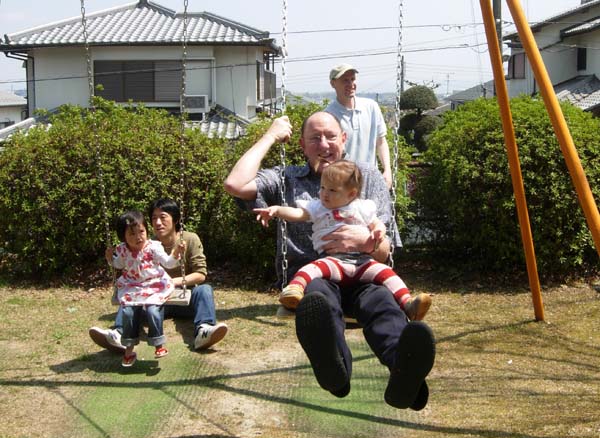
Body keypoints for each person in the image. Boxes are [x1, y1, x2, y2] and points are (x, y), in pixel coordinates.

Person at [224, 111, 435, 410]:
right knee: (320, 304)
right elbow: (234, 184)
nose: (324, 144)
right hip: (316, 277)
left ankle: (404, 371)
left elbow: (385, 248)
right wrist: (270, 135)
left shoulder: (365, 177)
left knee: (384, 305)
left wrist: (366, 240)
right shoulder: (287, 178)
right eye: (314, 138)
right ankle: (335, 370)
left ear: (344, 139)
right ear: (302, 145)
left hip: (363, 270)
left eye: (331, 136)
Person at [253, 160, 430, 321]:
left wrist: (378, 231)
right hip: (333, 261)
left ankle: (408, 304)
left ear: (351, 194)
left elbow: (378, 224)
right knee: (311, 269)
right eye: (322, 188)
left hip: (362, 262)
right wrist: (276, 210)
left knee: (387, 273)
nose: (324, 194)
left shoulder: (362, 207)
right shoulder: (318, 207)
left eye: (332, 190)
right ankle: (294, 291)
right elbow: (298, 214)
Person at [89, 198, 228, 354]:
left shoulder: (189, 239)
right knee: (130, 294)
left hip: (183, 299)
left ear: (175, 219)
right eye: (154, 218)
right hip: (152, 303)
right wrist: (113, 259)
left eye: (163, 217)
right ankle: (118, 334)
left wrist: (172, 282)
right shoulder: (144, 243)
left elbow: (201, 274)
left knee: (204, 290)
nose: (158, 222)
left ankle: (204, 330)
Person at [106, 210, 184, 367]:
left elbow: (168, 263)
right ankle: (129, 348)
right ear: (123, 237)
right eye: (132, 234)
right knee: (127, 312)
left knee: (152, 310)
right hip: (132, 286)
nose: (138, 237)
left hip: (154, 284)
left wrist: (175, 254)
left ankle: (158, 344)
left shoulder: (153, 247)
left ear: (147, 231)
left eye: (141, 231)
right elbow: (118, 265)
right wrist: (110, 258)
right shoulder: (122, 250)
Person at [325, 63, 393, 189]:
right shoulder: (329, 116)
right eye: (345, 80)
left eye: (352, 79)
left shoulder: (371, 107)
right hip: (343, 185)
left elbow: (381, 141)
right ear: (333, 84)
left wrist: (387, 170)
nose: (351, 84)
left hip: (371, 181)